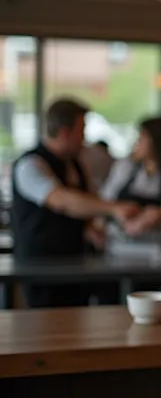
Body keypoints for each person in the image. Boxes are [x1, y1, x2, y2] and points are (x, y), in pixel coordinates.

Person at [11, 99, 140, 307]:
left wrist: (91, 229)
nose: (84, 138)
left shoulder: (76, 165)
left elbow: (84, 206)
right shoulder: (30, 165)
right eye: (81, 131)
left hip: (76, 266)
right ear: (64, 132)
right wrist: (113, 209)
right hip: (40, 270)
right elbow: (61, 201)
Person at [100, 117, 161, 252]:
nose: (136, 143)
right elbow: (104, 203)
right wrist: (122, 213)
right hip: (118, 246)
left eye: (142, 138)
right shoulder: (125, 168)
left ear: (157, 142)